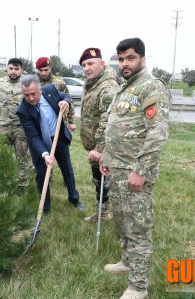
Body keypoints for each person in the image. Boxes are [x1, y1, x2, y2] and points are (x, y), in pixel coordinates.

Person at [99, 38, 170, 299]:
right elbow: (116, 126)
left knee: (138, 227)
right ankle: (127, 261)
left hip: (135, 172)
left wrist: (140, 170)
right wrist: (106, 156)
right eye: (121, 59)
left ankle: (138, 286)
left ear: (142, 58)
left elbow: (157, 133)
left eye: (130, 58)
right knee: (122, 221)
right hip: (117, 169)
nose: (124, 63)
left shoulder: (151, 87)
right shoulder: (124, 88)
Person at [16, 75, 83, 214]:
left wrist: (65, 102)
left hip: (58, 138)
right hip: (40, 144)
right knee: (41, 174)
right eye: (26, 95)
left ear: (40, 89)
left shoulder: (50, 90)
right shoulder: (22, 110)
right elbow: (33, 137)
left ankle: (74, 199)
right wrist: (45, 155)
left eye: (33, 94)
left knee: (67, 170)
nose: (31, 98)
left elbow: (64, 96)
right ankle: (45, 208)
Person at [78, 47, 119, 222]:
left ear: (102, 64)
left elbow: (108, 120)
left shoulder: (107, 87)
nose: (87, 68)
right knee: (100, 180)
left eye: (91, 63)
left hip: (103, 147)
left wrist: (99, 148)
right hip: (95, 146)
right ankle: (103, 212)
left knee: (106, 181)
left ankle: (109, 215)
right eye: (84, 65)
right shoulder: (92, 83)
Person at [0, 58, 33, 195]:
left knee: (22, 158)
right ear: (7, 69)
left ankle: (22, 186)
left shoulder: (27, 84)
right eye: (10, 68)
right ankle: (5, 183)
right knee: (3, 157)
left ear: (22, 70)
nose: (13, 71)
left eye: (16, 69)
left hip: (20, 128)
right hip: (3, 127)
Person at [35, 57, 76, 132]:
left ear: (50, 68)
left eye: (46, 70)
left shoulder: (59, 82)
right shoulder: (34, 83)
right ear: (37, 70)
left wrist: (71, 121)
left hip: (59, 120)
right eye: (41, 70)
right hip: (40, 120)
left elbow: (68, 100)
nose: (43, 73)